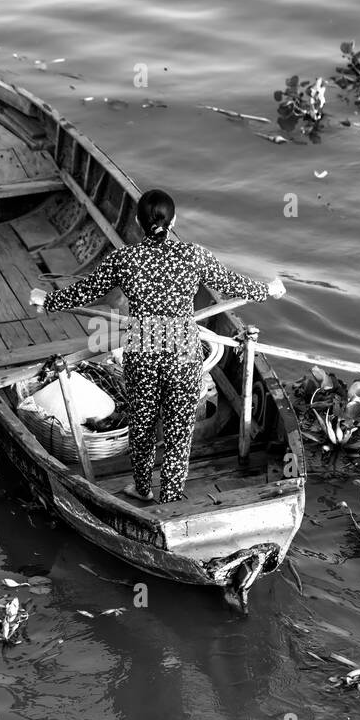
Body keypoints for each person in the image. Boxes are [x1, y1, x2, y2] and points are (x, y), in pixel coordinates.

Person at [30, 189, 285, 504]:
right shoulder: (195, 255)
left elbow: (86, 290)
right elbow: (232, 284)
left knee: (143, 425)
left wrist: (48, 300)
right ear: (174, 220)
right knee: (179, 431)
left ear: (137, 222)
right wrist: (268, 290)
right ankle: (172, 496)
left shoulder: (124, 259)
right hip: (183, 356)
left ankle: (141, 488)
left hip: (144, 354)